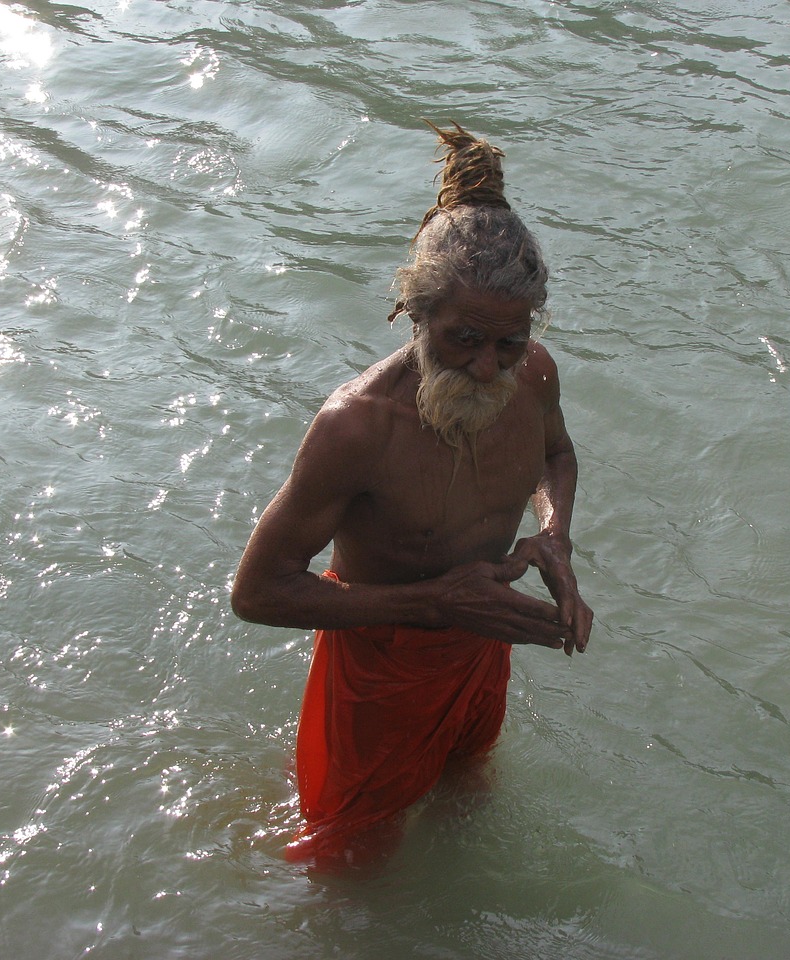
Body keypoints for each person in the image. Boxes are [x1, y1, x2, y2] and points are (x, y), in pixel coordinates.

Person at [230, 121, 593, 863]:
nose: (489, 368)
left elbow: (554, 454)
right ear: (413, 314)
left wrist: (553, 535)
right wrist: (431, 604)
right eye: (463, 338)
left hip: (481, 642)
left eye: (508, 344)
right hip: (378, 664)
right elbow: (256, 593)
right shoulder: (357, 428)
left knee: (467, 792)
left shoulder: (536, 375)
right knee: (347, 855)